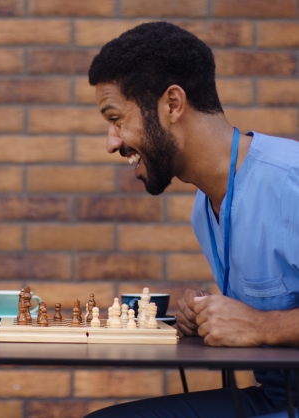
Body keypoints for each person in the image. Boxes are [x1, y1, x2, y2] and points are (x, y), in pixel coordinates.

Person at [85, 22, 299, 418]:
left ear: (172, 105)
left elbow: (259, 326)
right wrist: (206, 314)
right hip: (273, 400)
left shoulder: (291, 181)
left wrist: (262, 327)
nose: (112, 142)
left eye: (116, 119)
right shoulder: (205, 208)